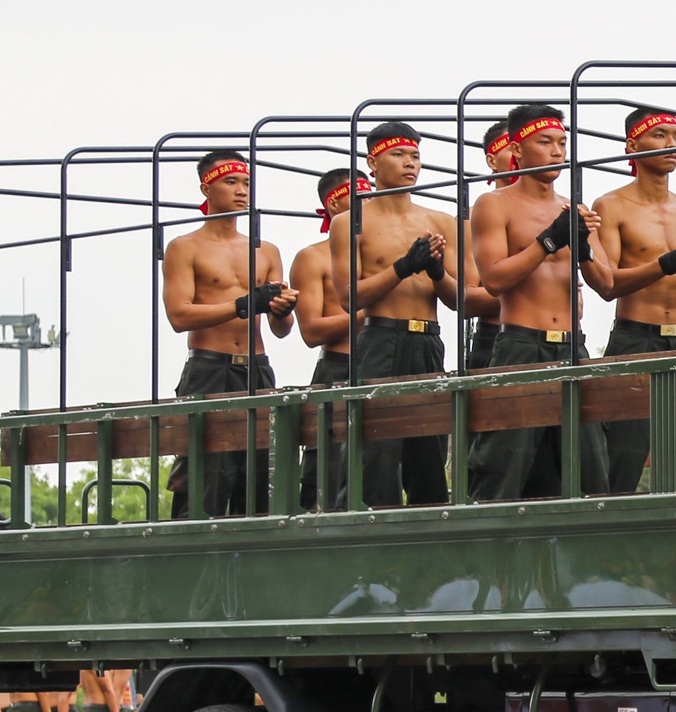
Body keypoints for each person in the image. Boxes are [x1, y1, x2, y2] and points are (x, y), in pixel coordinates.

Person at [466, 105, 609, 499]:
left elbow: (607, 284)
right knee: (502, 465)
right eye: (544, 142)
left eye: (562, 142)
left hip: (572, 346)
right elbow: (494, 279)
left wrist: (581, 248)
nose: (556, 151)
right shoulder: (493, 204)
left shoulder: (575, 209)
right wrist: (548, 240)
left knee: (591, 467)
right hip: (521, 344)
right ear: (516, 149)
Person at [333, 122, 466, 508]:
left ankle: (431, 550)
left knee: (429, 452)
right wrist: (403, 267)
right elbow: (348, 297)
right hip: (379, 339)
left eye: (416, 156)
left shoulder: (440, 221)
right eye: (399, 154)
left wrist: (437, 272)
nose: (410, 163)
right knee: (374, 454)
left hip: (427, 340)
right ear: (373, 162)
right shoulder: (350, 221)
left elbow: (461, 299)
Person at [160, 150, 299, 515]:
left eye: (247, 183)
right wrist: (243, 304)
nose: (242, 190)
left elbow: (281, 329)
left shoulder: (266, 250)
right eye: (231, 181)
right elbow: (178, 315)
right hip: (209, 370)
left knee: (259, 479)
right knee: (204, 480)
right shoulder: (183, 246)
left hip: (256, 367)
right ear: (207, 187)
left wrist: (282, 309)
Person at [592, 108, 676, 492]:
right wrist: (667, 263)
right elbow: (607, 283)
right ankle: (609, 538)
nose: (672, 145)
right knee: (623, 454)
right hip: (636, 339)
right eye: (659, 135)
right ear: (632, 144)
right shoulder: (611, 205)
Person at [291, 167, 361, 508]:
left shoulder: (388, 248)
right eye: (357, 191)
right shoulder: (312, 257)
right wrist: (370, 315)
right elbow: (311, 330)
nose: (367, 198)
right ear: (333, 204)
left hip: (385, 362)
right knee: (327, 477)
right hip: (337, 368)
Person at [463, 117, 524, 373]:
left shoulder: (559, 212)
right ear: (491, 160)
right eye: (512, 147)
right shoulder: (470, 220)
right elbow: (467, 299)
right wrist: (538, 294)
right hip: (494, 336)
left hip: (559, 337)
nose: (520, 154)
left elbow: (575, 307)